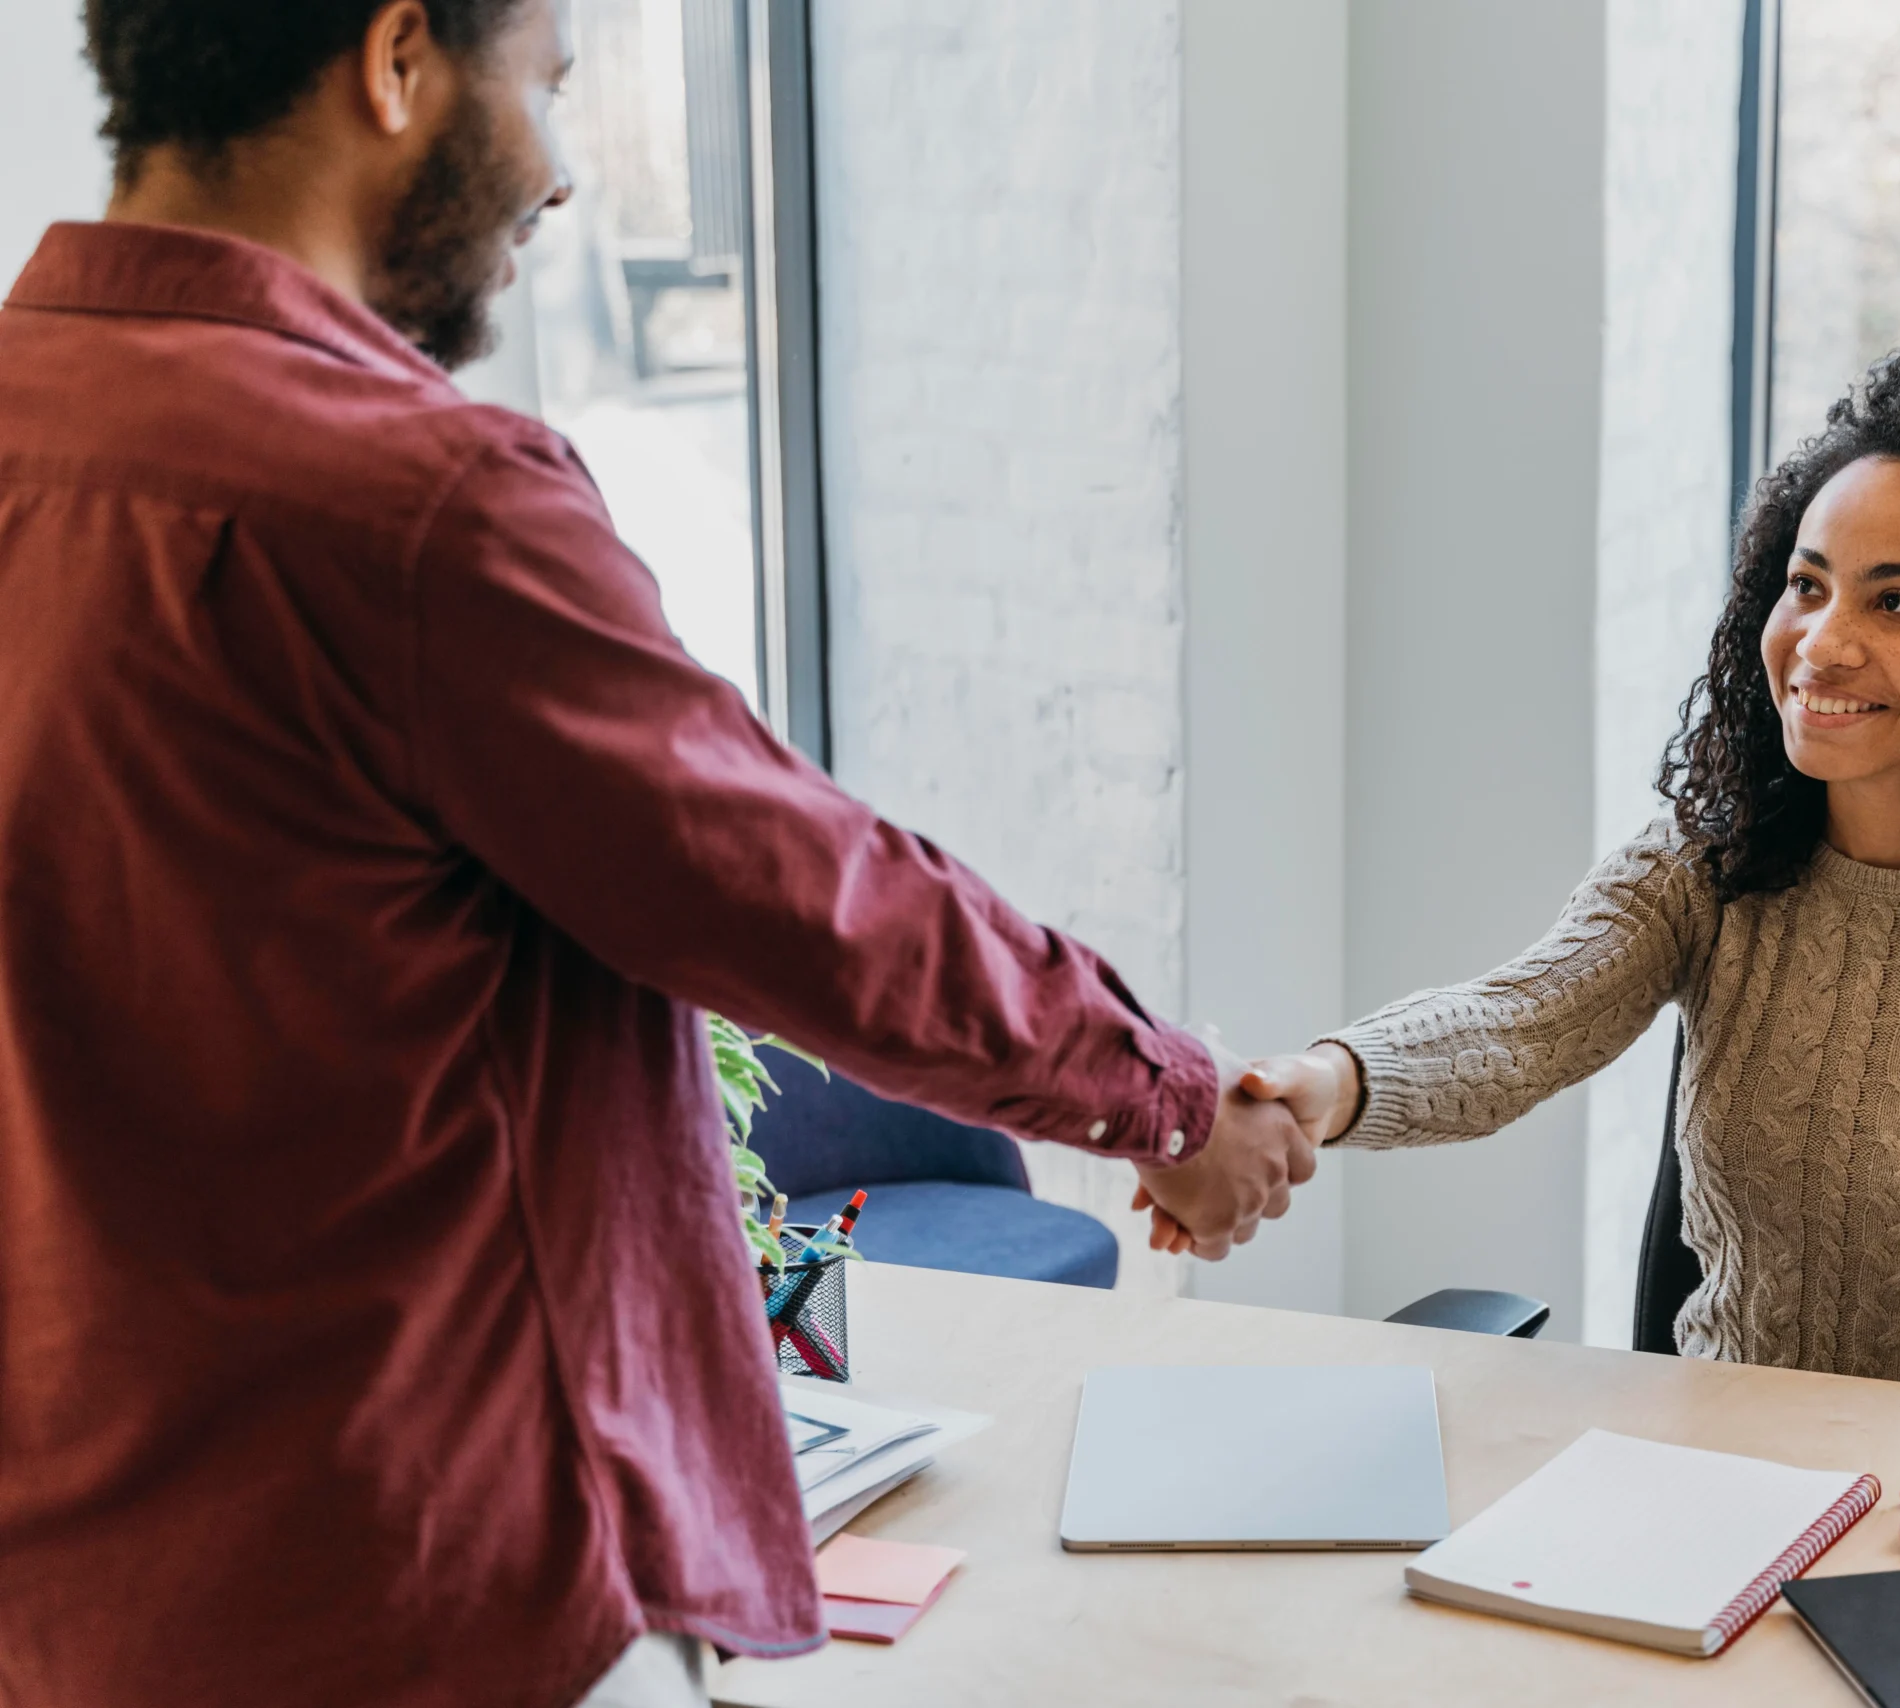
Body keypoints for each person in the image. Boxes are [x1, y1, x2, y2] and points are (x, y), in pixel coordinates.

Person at [0, 3, 1311, 1706]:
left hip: (78, 1598)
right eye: (545, 84)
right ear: (399, 62)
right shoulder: (410, 500)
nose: (552, 173)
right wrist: (1172, 1093)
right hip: (423, 1592)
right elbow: (811, 900)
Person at [1235, 345, 1900, 1569]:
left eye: (1896, 601)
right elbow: (1517, 1024)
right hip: (1708, 1496)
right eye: (1807, 584)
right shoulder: (1712, 858)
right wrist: (1316, 1085)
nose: (1820, 642)